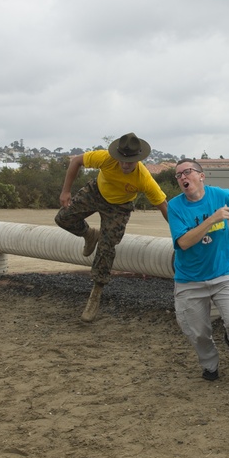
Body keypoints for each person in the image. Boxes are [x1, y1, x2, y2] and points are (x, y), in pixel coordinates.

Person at [56, 132, 169, 322]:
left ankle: (96, 293)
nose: (125, 164)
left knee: (107, 247)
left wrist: (180, 233)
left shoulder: (144, 178)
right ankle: (89, 234)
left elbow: (164, 206)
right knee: (62, 219)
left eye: (130, 162)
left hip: (119, 207)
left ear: (138, 159)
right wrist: (66, 190)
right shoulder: (106, 158)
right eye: (122, 160)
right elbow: (76, 161)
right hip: (96, 192)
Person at [167, 159, 229, 381]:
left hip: (222, 275)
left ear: (201, 176)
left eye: (187, 172)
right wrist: (212, 219)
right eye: (178, 175)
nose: (182, 177)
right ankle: (210, 365)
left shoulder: (221, 195)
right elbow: (183, 242)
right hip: (189, 280)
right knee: (198, 332)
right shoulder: (175, 206)